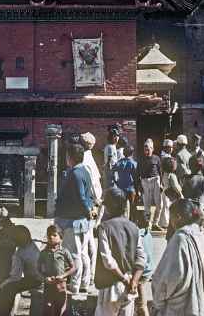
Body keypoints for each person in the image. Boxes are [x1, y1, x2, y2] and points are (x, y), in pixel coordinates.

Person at [152, 198, 204, 316]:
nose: (170, 222)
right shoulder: (198, 234)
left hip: (179, 308)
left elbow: (169, 277)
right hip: (195, 304)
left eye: (171, 217)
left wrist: (157, 302)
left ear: (178, 217)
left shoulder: (180, 238)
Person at [94, 187, 145, 316]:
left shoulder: (104, 227)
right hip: (129, 286)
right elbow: (141, 258)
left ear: (110, 207)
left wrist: (123, 279)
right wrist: (133, 281)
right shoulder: (134, 227)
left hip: (111, 286)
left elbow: (108, 261)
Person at [55, 142, 95, 294]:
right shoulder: (85, 170)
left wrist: (87, 211)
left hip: (73, 220)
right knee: (83, 252)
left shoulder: (75, 174)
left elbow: (81, 197)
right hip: (81, 221)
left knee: (74, 253)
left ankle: (75, 286)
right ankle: (85, 282)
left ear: (70, 157)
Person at [0, 225, 41, 316]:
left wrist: (3, 284)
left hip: (35, 280)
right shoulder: (32, 245)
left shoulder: (20, 253)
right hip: (39, 278)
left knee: (8, 288)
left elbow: (15, 277)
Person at [37, 224, 75, 316]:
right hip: (48, 285)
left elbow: (73, 267)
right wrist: (45, 278)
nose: (51, 237)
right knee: (47, 308)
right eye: (49, 235)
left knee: (60, 309)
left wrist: (63, 276)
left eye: (54, 235)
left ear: (61, 238)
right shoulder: (43, 253)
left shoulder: (64, 252)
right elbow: (38, 269)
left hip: (61, 285)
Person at [81, 132, 103, 287]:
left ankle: (86, 278)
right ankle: (90, 275)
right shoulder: (90, 158)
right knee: (88, 242)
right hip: (92, 202)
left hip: (88, 203)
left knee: (85, 243)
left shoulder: (84, 160)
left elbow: (93, 184)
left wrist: (96, 201)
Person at [138, 139, 162, 231]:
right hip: (145, 182)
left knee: (159, 204)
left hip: (156, 180)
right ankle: (148, 223)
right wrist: (139, 186)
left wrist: (161, 184)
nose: (147, 151)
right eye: (145, 149)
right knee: (146, 205)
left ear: (152, 149)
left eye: (148, 149)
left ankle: (155, 223)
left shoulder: (157, 158)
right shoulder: (141, 159)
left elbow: (160, 171)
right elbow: (137, 173)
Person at [0, 207, 17, 286]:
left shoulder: (10, 228)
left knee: (4, 276)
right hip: (3, 256)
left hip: (6, 257)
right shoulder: (6, 227)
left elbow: (10, 243)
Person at [135, 212, 153, 316]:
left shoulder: (138, 235)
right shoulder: (148, 233)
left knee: (141, 303)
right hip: (149, 269)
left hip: (142, 271)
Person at [112, 145, 137, 220]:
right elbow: (136, 177)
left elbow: (112, 172)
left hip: (121, 188)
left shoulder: (119, 162)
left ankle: (121, 221)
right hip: (131, 188)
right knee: (132, 206)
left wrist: (116, 182)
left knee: (121, 207)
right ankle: (132, 222)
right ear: (132, 153)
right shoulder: (134, 163)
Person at [159, 156, 183, 230]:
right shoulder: (172, 175)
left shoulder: (164, 174)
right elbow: (175, 186)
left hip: (165, 192)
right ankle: (167, 223)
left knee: (165, 208)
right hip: (171, 194)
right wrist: (180, 193)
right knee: (170, 208)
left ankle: (163, 222)